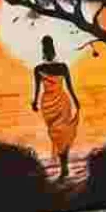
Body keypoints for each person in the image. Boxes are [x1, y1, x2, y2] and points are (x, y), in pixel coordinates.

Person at [30, 35, 81, 180]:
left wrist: (34, 103)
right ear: (53, 50)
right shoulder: (62, 67)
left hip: (49, 104)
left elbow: (37, 90)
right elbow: (70, 88)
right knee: (62, 134)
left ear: (43, 50)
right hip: (60, 103)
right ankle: (64, 167)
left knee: (58, 135)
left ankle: (64, 168)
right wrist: (76, 101)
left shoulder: (39, 69)